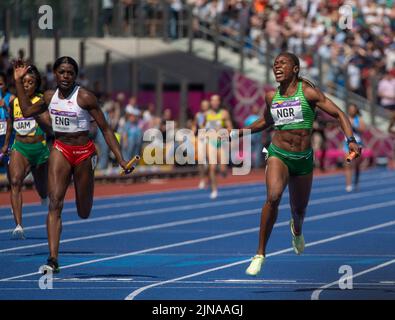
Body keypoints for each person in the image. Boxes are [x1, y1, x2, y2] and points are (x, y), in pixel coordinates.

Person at [237, 52, 360, 276]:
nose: (277, 66)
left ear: (295, 68)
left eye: (282, 63)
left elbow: (339, 114)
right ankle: (259, 254)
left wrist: (351, 140)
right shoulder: (270, 96)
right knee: (273, 197)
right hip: (278, 154)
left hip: (303, 160)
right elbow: (266, 121)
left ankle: (297, 229)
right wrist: (237, 133)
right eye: (275, 64)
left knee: (299, 209)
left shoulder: (309, 92)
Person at [13, 57, 129, 274]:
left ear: (75, 76)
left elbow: (105, 128)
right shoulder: (49, 96)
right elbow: (27, 111)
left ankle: (85, 190)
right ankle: (53, 259)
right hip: (60, 149)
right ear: (55, 74)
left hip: (84, 152)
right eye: (62, 72)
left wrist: (120, 159)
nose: (66, 76)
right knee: (54, 202)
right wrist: (18, 82)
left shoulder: (85, 97)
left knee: (83, 211)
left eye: (70, 73)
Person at [3, 66, 51, 240]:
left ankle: (44, 195)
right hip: (20, 147)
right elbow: (10, 125)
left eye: (31, 82)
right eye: (24, 82)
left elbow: (48, 124)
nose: (27, 86)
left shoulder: (41, 100)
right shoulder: (13, 102)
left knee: (42, 187)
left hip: (39, 149)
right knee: (15, 182)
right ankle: (18, 226)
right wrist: (6, 144)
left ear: (36, 84)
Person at [205, 94, 233, 199]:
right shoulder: (206, 114)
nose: (214, 102)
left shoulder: (224, 113)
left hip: (222, 142)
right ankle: (214, 190)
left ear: (219, 102)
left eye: (216, 100)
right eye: (212, 100)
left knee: (222, 169)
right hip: (211, 141)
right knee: (212, 167)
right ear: (210, 102)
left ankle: (223, 171)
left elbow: (230, 127)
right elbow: (201, 126)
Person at [343, 104, 365, 192]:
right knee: (347, 163)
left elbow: (363, 130)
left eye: (353, 109)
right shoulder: (345, 118)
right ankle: (348, 185)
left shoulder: (359, 119)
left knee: (356, 165)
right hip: (347, 144)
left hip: (357, 144)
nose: (351, 111)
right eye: (350, 109)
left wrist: (354, 126)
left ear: (356, 110)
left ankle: (356, 182)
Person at [192, 99, 210, 189]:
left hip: (210, 139)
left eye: (206, 105)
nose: (205, 107)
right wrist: (192, 134)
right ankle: (202, 180)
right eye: (203, 105)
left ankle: (210, 177)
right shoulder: (198, 115)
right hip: (201, 138)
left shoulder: (211, 115)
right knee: (200, 161)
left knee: (210, 161)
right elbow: (195, 125)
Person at [0, 72, 15, 175]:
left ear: (5, 84)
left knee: (10, 168)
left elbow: (15, 117)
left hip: (8, 137)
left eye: (0, 84)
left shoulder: (11, 98)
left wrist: (5, 107)